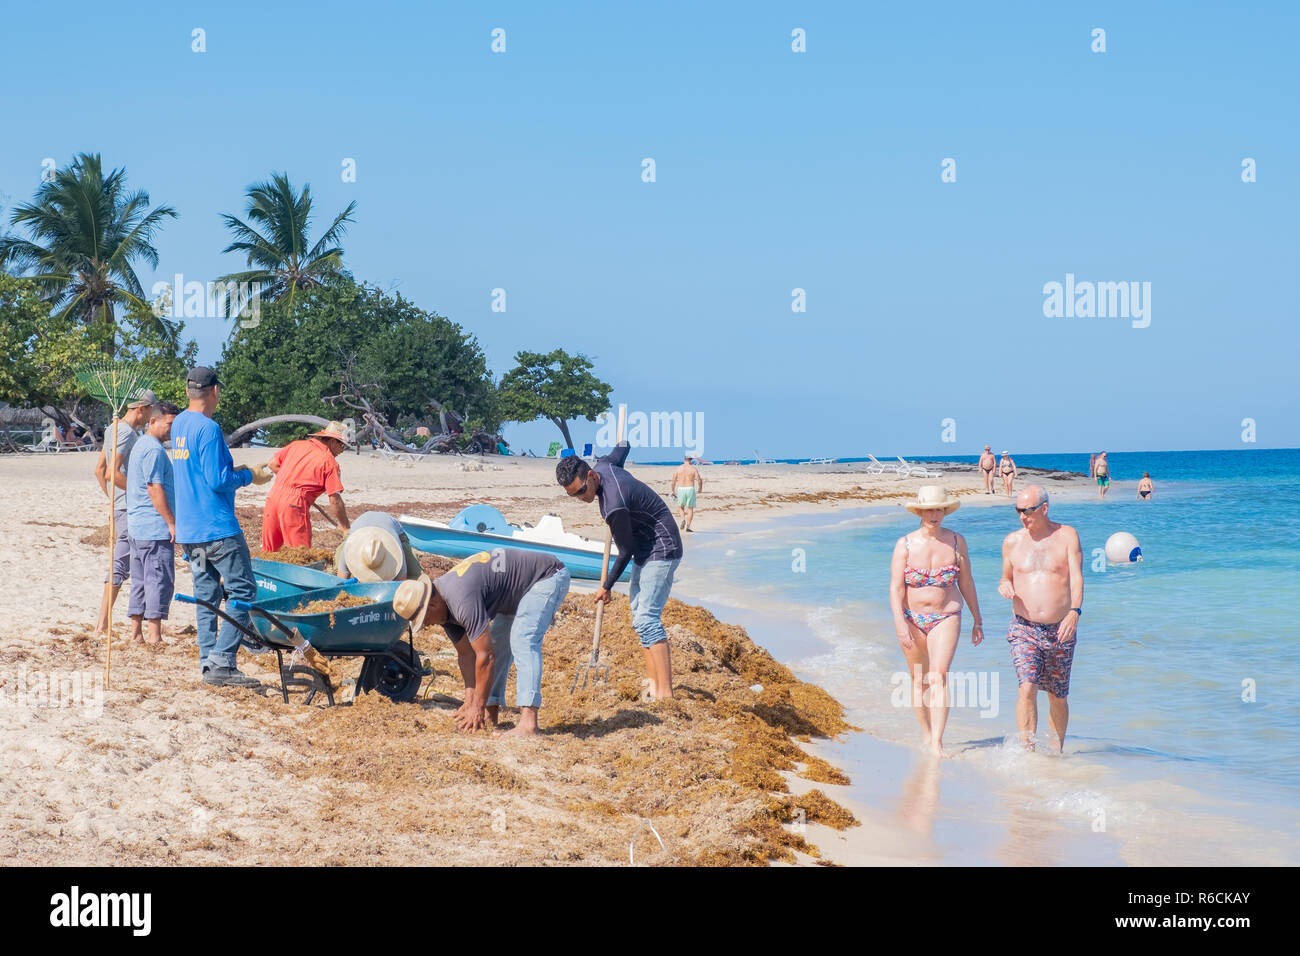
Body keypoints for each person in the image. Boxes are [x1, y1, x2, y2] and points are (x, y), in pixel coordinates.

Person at [556, 441, 683, 699]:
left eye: (581, 491)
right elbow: (622, 449)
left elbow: (625, 550)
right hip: (644, 547)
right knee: (639, 617)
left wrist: (606, 586)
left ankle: (665, 695)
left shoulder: (614, 503)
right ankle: (652, 683)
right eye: (573, 495)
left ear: (590, 475)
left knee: (647, 618)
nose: (581, 499)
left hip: (662, 546)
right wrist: (622, 444)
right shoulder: (606, 465)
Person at [171, 367, 272, 688]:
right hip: (218, 531)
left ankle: (207, 660)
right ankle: (223, 662)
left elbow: (202, 471)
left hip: (190, 534)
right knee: (244, 591)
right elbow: (217, 481)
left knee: (206, 595)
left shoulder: (179, 426)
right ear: (214, 391)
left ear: (189, 392)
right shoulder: (209, 429)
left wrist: (234, 468)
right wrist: (249, 476)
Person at [417, 548, 570, 736]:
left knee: (523, 640)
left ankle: (529, 724)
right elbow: (467, 655)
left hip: (546, 576)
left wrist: (477, 706)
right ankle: (491, 713)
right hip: (514, 593)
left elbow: (485, 657)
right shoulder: (443, 606)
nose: (426, 624)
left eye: (424, 619)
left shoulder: (460, 599)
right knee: (495, 643)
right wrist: (470, 701)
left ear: (432, 605)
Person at [889, 485, 984, 756]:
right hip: (911, 618)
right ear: (919, 511)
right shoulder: (904, 544)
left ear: (945, 511)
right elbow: (896, 588)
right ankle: (926, 733)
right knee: (919, 680)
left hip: (946, 615)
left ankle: (937, 742)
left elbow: (966, 581)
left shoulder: (956, 541)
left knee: (939, 676)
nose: (934, 514)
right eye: (929, 509)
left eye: (939, 509)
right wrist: (899, 622)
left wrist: (977, 618)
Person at [997, 485, 1083, 752]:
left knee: (1058, 696)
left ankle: (1056, 754)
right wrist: (1004, 585)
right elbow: (1005, 577)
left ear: (1044, 508)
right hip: (1024, 628)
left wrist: (1074, 612)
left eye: (1029, 511)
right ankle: (1028, 753)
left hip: (1061, 629)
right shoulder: (1012, 541)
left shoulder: (1067, 536)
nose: (1023, 516)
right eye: (1019, 511)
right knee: (1027, 687)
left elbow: (1077, 578)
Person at [91, 389, 157, 640]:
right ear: (141, 408)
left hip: (121, 506)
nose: (151, 416)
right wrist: (138, 493)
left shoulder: (113, 428)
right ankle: (102, 625)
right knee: (121, 564)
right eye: (150, 411)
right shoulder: (126, 432)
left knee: (126, 563)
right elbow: (111, 472)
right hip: (129, 508)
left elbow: (99, 470)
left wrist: (112, 501)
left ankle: (104, 624)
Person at [125, 402, 180, 646]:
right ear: (153, 422)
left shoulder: (141, 445)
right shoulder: (154, 450)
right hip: (152, 527)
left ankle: (136, 632)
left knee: (140, 580)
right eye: (169, 424)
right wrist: (171, 522)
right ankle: (154, 636)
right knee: (158, 579)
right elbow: (154, 488)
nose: (172, 429)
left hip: (138, 526)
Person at [261, 421, 352, 550]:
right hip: (294, 505)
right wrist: (346, 527)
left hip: (273, 497)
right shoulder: (330, 462)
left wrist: (290, 483)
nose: (342, 450)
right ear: (333, 441)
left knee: (269, 552)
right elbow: (335, 500)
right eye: (342, 445)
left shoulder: (297, 445)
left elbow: (273, 464)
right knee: (300, 556)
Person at [335, 511, 424, 583]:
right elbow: (341, 583)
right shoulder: (349, 549)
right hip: (357, 528)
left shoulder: (397, 556)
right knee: (336, 563)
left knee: (415, 575)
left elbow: (400, 585)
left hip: (394, 530)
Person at [670, 455, 704, 531]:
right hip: (690, 489)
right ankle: (688, 527)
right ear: (691, 460)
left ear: (684, 459)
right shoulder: (693, 468)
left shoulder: (678, 468)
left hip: (681, 489)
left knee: (680, 507)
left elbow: (673, 481)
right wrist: (700, 488)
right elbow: (699, 479)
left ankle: (683, 519)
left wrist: (673, 490)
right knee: (690, 509)